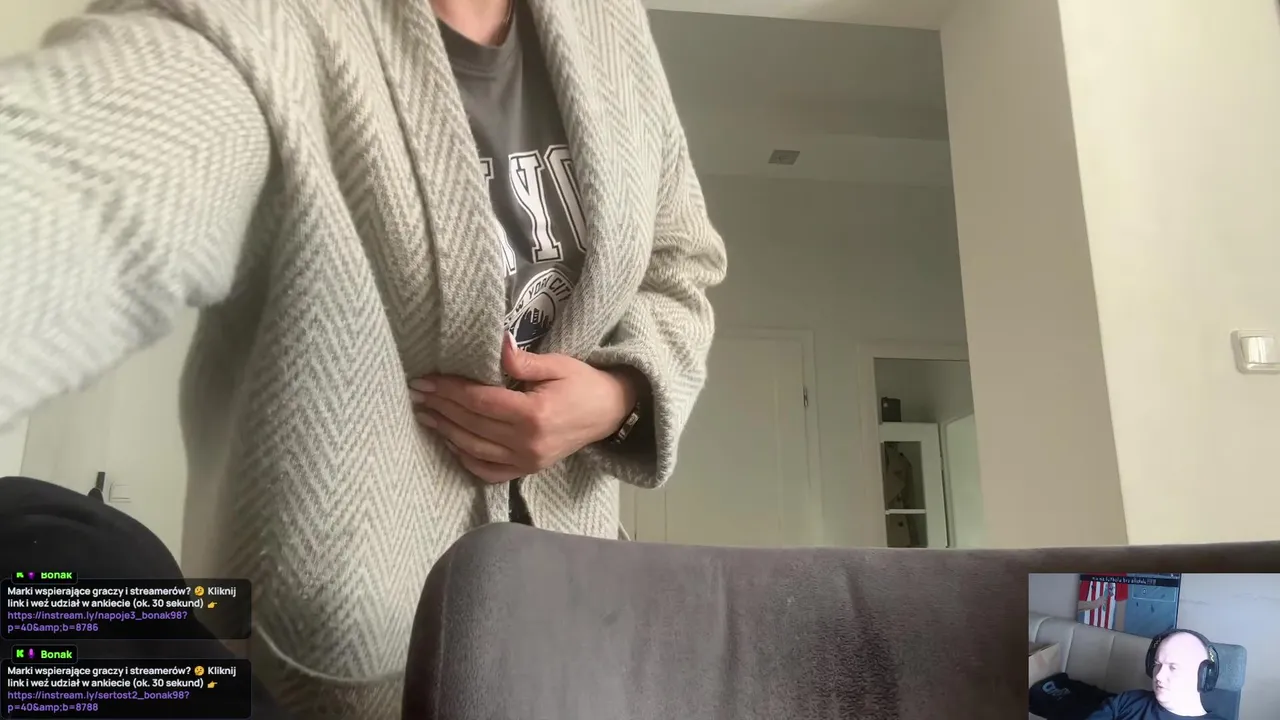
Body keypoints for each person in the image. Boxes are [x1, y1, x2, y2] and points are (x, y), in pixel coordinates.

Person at [0, 0, 727, 716]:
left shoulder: (610, 20)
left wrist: (619, 398)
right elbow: (73, 179)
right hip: (336, 659)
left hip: (572, 631)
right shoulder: (264, 22)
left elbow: (680, 261)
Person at [1085, 630, 1226, 720]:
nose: (1158, 676)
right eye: (1157, 664)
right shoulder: (1127, 700)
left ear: (1203, 676)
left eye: (1173, 667)